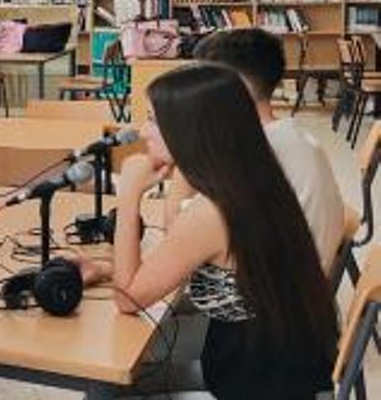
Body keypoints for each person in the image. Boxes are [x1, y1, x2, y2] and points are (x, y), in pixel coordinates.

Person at [82, 63, 338, 399]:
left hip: (253, 385)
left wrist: (129, 195)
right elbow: (182, 256)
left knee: (105, 384)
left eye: (153, 120)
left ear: (189, 130)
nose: (143, 132)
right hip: (282, 368)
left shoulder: (212, 213)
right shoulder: (250, 178)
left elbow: (128, 298)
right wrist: (110, 268)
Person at [192, 28, 345, 272]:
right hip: (303, 289)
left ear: (234, 87)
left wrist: (181, 158)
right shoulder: (289, 135)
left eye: (201, 85)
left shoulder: (253, 152)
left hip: (270, 299)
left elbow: (179, 234)